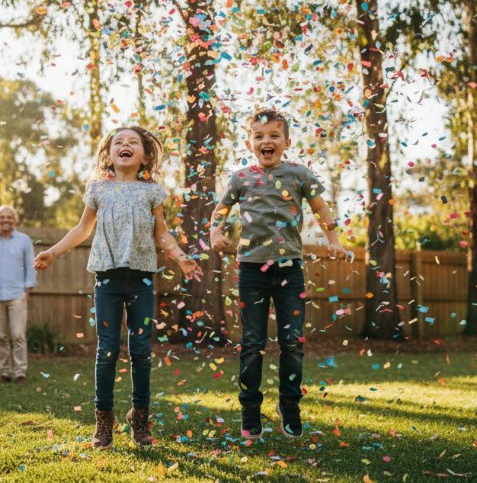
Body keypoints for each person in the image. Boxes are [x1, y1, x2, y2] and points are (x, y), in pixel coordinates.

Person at [34, 126, 202, 450]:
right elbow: (83, 228)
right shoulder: (98, 188)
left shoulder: (152, 191)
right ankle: (104, 420)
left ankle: (140, 419)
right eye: (118, 142)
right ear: (109, 153)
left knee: (141, 351)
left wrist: (180, 257)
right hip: (107, 279)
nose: (125, 145)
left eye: (133, 142)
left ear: (144, 154)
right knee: (107, 350)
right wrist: (53, 252)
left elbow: (162, 233)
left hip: (141, 278)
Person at [209, 109, 352, 440]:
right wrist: (215, 232)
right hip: (250, 270)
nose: (266, 141)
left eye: (273, 135)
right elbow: (221, 210)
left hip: (290, 270)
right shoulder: (240, 178)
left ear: (286, 142)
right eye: (259, 136)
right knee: (252, 342)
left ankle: (289, 406)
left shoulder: (299, 174)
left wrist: (333, 239)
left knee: (292, 341)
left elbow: (320, 208)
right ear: (250, 143)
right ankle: (250, 410)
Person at [0, 205, 36, 384]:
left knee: (18, 336)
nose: (5, 220)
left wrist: (27, 290)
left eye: (9, 217)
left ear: (14, 220)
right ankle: (5, 372)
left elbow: (31, 267)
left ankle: (20, 372)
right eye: (2, 217)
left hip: (17, 295)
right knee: (1, 337)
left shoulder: (24, 240)